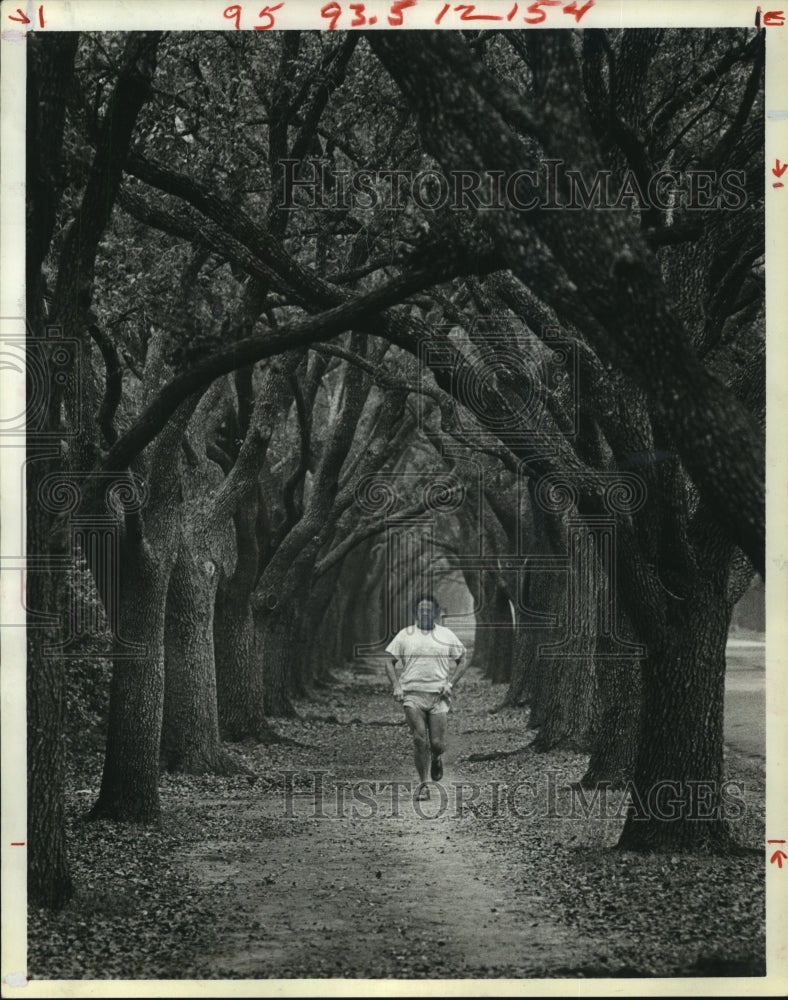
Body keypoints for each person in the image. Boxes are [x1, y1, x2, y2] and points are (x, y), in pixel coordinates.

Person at [385, 594, 468, 801]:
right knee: (419, 739)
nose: (424, 613)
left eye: (429, 609)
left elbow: (462, 659)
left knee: (437, 743)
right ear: (416, 612)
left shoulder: (446, 635)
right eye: (421, 609)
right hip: (412, 694)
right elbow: (388, 661)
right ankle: (424, 784)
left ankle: (437, 757)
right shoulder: (405, 635)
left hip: (438, 695)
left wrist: (450, 684)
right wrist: (396, 685)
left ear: (436, 613)